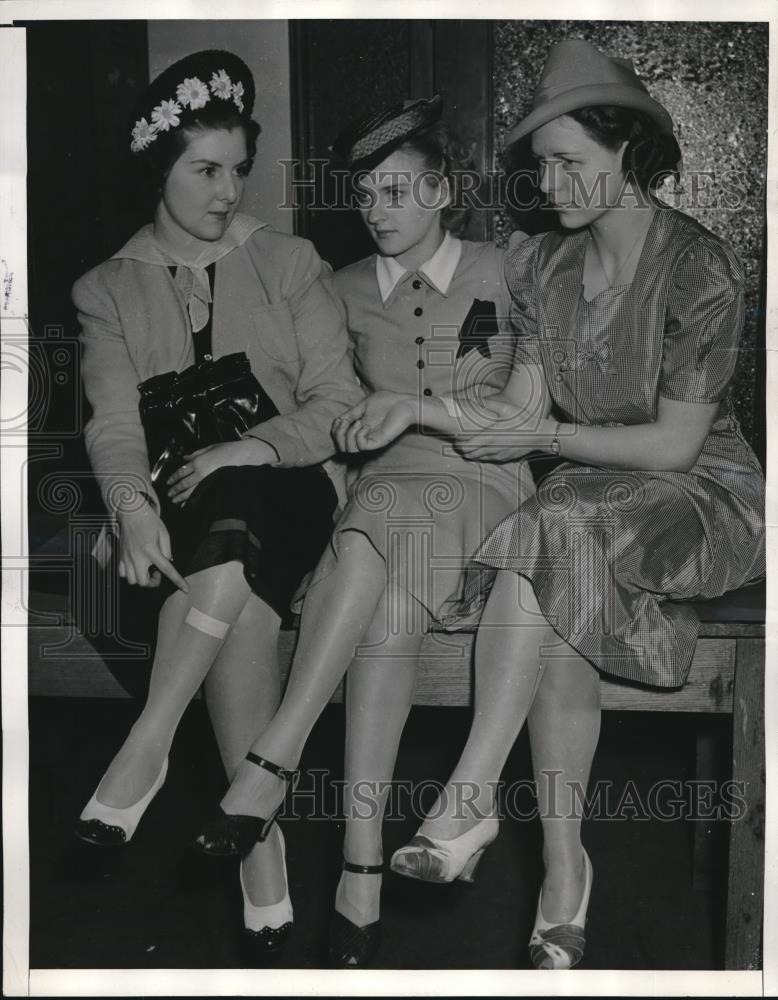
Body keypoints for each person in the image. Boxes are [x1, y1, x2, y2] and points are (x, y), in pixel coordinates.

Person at [329, 38, 766, 969]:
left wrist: (543, 443)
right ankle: (564, 877)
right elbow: (522, 407)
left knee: (549, 521)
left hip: (700, 496)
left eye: (570, 162)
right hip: (585, 498)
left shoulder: (700, 268)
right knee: (553, 582)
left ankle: (471, 794)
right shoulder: (541, 269)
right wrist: (420, 407)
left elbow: (674, 444)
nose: (551, 181)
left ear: (629, 154)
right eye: (541, 164)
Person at [192, 96, 534, 967]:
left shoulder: (510, 268)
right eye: (365, 194)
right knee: (379, 608)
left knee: (369, 525)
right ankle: (359, 873)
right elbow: (327, 413)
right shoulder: (338, 289)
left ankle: (274, 757)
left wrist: (419, 418)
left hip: (484, 478)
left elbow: (526, 410)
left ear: (442, 192)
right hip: (387, 499)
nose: (376, 210)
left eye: (395, 192)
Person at [72, 49, 363, 955]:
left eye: (238, 169)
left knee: (234, 501)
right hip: (189, 514)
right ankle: (259, 848)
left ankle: (146, 742)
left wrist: (251, 443)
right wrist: (128, 507)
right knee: (233, 596)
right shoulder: (106, 287)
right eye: (206, 169)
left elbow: (339, 407)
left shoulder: (290, 262)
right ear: (158, 171)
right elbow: (114, 425)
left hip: (293, 488)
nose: (229, 190)